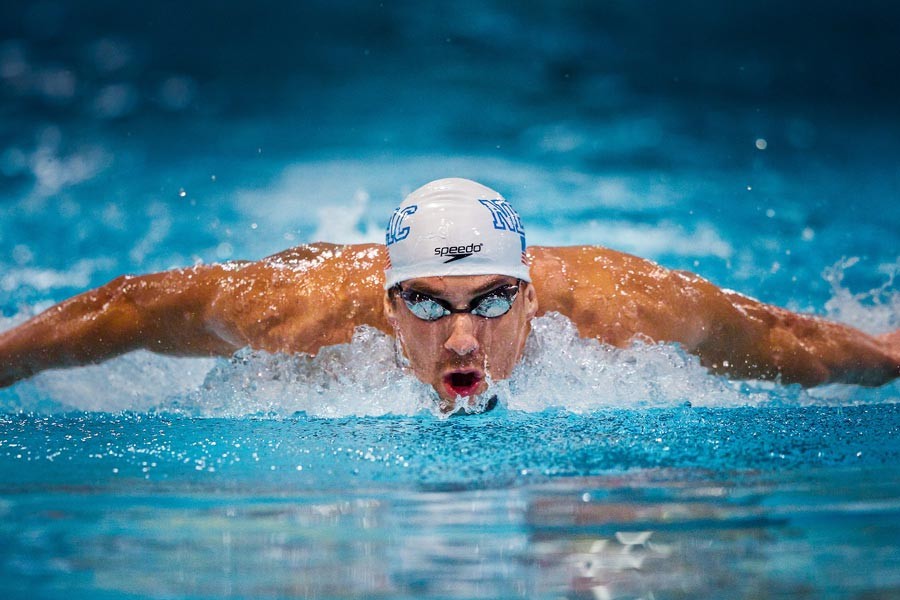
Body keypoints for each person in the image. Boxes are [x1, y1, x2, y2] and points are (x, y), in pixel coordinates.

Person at [1, 178, 898, 410]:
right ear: (386, 306)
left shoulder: (621, 310)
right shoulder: (300, 313)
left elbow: (792, 342)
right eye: (427, 304)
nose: (462, 339)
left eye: (493, 302)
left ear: (534, 298)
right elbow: (119, 310)